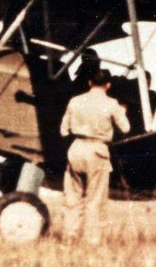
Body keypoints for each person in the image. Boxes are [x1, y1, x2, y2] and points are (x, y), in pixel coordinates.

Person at [60, 69, 130, 244]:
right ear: (108, 85)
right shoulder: (112, 104)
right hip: (97, 151)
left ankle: (69, 238)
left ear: (90, 82)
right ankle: (92, 240)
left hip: (76, 149)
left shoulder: (74, 101)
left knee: (72, 198)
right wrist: (122, 111)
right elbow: (126, 128)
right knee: (95, 199)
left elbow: (63, 131)